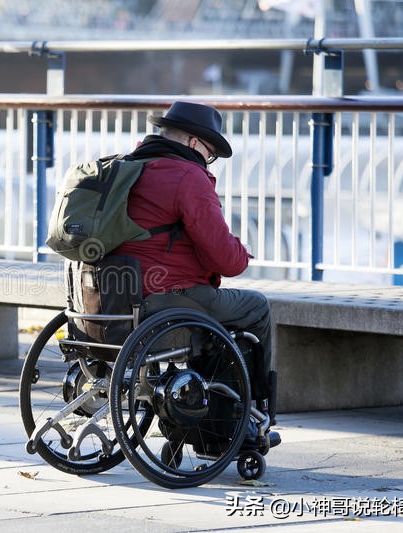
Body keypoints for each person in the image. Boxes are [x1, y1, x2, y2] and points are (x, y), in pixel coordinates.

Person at [112, 101, 280, 448]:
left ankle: (208, 419)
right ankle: (247, 415)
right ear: (193, 143)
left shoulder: (127, 167)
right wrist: (240, 252)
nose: (209, 160)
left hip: (112, 299)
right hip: (165, 300)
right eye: (210, 152)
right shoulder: (188, 176)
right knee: (255, 307)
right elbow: (226, 260)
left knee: (217, 313)